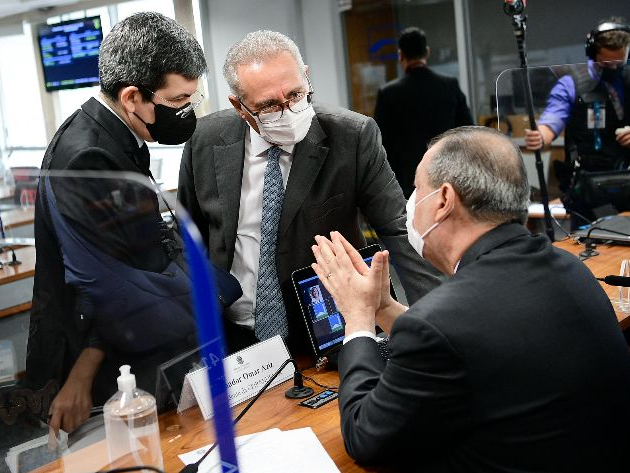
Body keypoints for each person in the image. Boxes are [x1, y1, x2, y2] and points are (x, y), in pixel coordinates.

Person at [311, 126, 630, 471]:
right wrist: (383, 307)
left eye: (417, 189)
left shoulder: (441, 322)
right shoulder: (569, 267)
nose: (410, 202)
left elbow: (365, 438)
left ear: (444, 201)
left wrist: (357, 321)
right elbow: (468, 340)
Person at [178, 30, 442, 355]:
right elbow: (188, 238)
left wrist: (435, 325)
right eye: (270, 106)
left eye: (295, 94)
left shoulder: (352, 136)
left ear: (306, 76)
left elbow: (399, 231)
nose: (288, 111)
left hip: (327, 331)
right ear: (239, 106)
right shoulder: (204, 140)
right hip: (233, 336)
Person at [27, 12, 207, 434]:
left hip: (127, 334)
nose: (187, 113)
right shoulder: (90, 158)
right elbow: (104, 284)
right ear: (132, 97)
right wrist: (82, 376)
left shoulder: (113, 132)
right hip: (98, 360)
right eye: (178, 102)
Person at [525, 18, 630, 223]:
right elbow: (553, 117)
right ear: (593, 53)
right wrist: (541, 136)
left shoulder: (627, 77)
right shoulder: (572, 83)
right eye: (607, 63)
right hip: (588, 184)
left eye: (620, 62)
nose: (614, 68)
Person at [374, 27, 473, 198]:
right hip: (446, 178)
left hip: (407, 184)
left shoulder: (388, 93)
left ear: (400, 55)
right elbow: (468, 132)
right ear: (427, 52)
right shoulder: (449, 86)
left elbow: (381, 144)